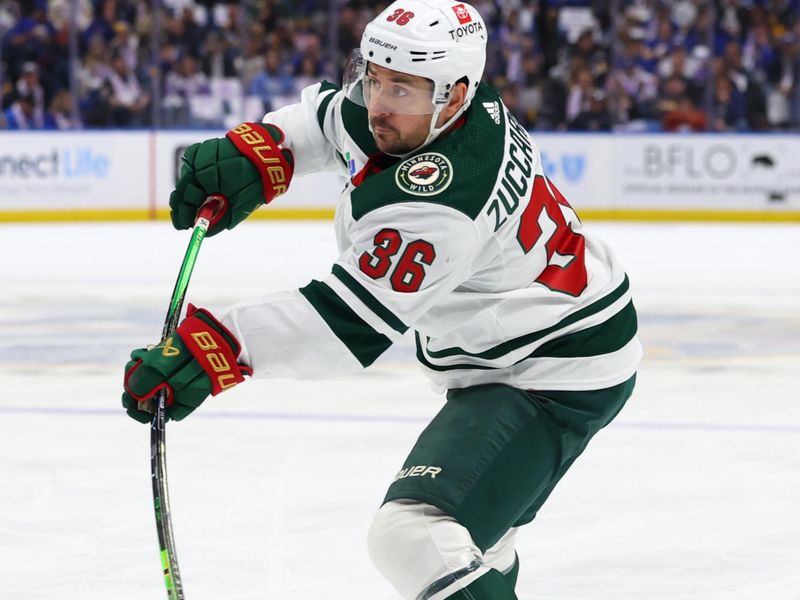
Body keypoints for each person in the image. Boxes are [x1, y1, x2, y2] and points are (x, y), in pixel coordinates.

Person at [121, 1, 642, 598]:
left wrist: (214, 348)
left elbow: (345, 326)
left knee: (416, 535)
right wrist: (264, 150)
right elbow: (327, 120)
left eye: (402, 89)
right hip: (542, 341)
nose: (379, 105)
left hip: (553, 368)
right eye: (373, 76)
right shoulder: (439, 107)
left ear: (455, 93)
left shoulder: (441, 199)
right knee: (475, 546)